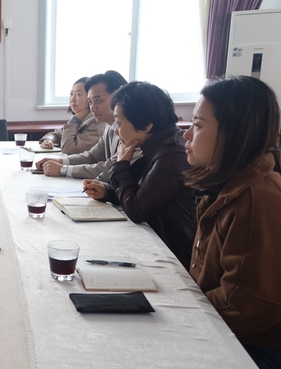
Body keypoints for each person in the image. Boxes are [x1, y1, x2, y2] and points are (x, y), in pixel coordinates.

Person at [183, 75, 281, 369]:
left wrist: (182, 311)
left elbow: (247, 303)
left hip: (258, 351)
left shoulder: (258, 198)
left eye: (198, 125)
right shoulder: (228, 186)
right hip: (228, 330)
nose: (186, 134)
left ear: (233, 132)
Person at [82, 81, 196, 268]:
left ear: (146, 124)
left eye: (119, 122)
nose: (116, 131)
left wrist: (121, 164)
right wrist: (108, 191)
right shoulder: (158, 143)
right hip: (156, 240)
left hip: (172, 254)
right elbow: (144, 192)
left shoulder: (172, 155)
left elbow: (137, 210)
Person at [37, 70, 130, 180]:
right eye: (90, 102)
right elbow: (92, 156)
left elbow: (112, 167)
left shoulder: (132, 129)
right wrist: (60, 161)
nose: (92, 108)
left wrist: (64, 169)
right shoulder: (108, 126)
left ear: (117, 98)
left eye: (98, 100)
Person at [39, 77, 106, 154]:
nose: (72, 99)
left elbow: (69, 149)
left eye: (78, 94)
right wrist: (48, 140)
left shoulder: (97, 123)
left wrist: (74, 121)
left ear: (90, 97)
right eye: (71, 94)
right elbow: (57, 134)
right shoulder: (81, 118)